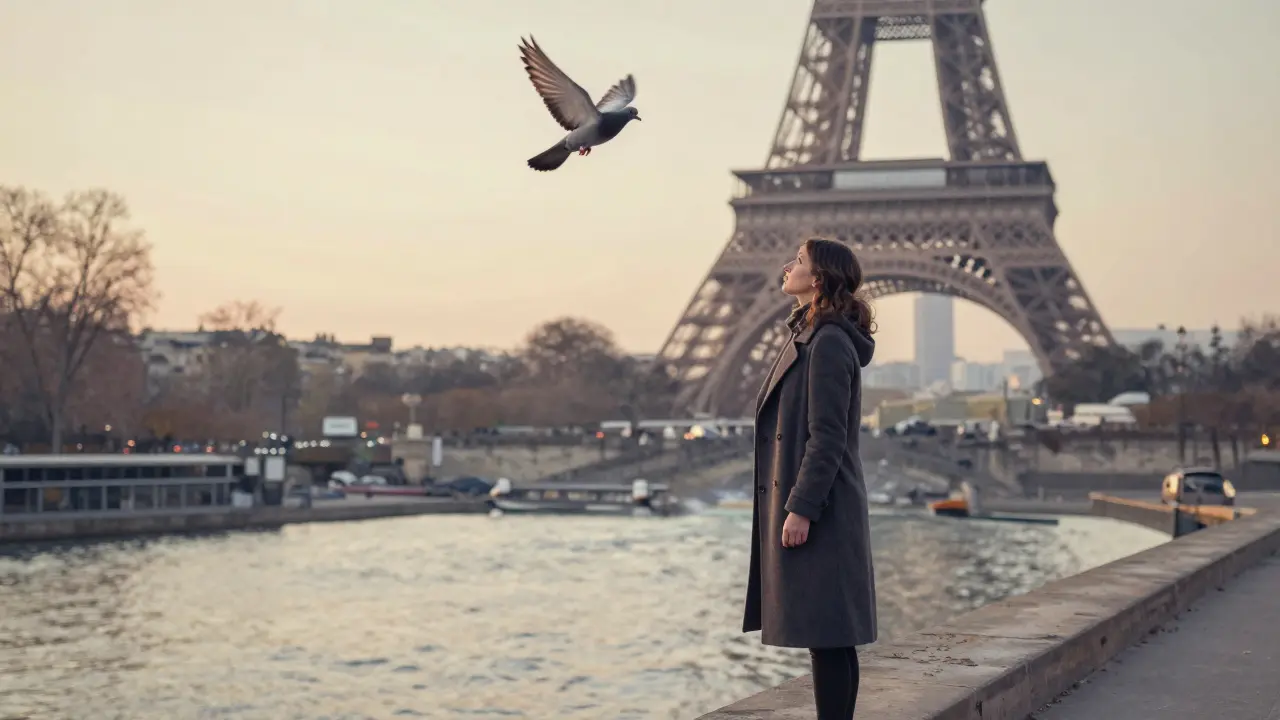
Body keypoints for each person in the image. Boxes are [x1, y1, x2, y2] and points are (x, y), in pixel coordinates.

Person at [742, 237, 878, 720]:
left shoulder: (828, 342)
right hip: (824, 501)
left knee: (829, 637)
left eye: (798, 261)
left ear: (817, 279)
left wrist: (800, 507)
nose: (787, 266)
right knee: (831, 637)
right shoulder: (812, 334)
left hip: (824, 506)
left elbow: (828, 436)